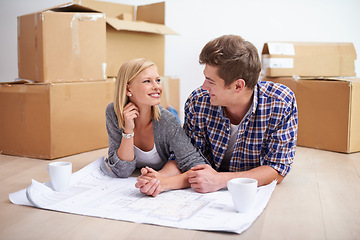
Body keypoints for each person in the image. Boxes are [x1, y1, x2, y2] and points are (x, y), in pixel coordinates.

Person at [183, 35, 298, 193]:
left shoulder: (280, 102)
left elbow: (277, 169)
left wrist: (221, 180)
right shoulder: (197, 102)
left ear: (238, 86)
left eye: (210, 81)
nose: (204, 87)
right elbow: (190, 159)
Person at [103, 58, 208, 197]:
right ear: (128, 88)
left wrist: (161, 180)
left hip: (168, 122)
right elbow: (122, 171)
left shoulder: (167, 121)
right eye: (147, 81)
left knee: (172, 116)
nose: (157, 87)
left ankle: (173, 110)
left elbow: (198, 165)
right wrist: (128, 130)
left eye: (158, 80)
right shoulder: (113, 112)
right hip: (143, 123)